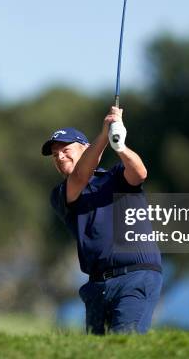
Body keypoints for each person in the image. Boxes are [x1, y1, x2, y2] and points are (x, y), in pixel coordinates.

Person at [41, 106, 162, 334]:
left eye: (65, 149)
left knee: (124, 346)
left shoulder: (116, 176)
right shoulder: (61, 194)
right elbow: (79, 176)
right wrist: (104, 136)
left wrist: (120, 146)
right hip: (97, 285)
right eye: (55, 155)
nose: (59, 156)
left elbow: (139, 173)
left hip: (136, 276)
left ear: (85, 149)